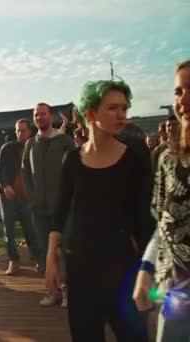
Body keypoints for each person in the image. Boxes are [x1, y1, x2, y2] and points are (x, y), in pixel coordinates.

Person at [46, 80, 151, 342]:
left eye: (124, 108)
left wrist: (147, 271)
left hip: (122, 267)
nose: (121, 114)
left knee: (133, 336)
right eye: (112, 108)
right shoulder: (72, 160)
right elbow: (60, 211)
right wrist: (51, 256)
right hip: (80, 267)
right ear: (90, 114)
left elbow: (145, 219)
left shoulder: (135, 159)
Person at [133, 60, 190, 341]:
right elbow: (163, 222)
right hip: (174, 291)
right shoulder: (168, 159)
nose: (184, 100)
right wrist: (146, 269)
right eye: (179, 91)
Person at [22, 102, 75, 306]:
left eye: (43, 114)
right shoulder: (30, 144)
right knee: (45, 250)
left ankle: (68, 290)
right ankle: (53, 291)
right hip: (39, 208)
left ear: (50, 116)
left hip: (61, 208)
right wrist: (31, 196)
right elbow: (25, 170)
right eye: (36, 115)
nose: (40, 118)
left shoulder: (64, 141)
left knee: (63, 250)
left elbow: (74, 169)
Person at [0, 118, 37, 276]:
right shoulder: (7, 148)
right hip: (9, 197)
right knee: (9, 232)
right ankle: (13, 261)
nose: (20, 133)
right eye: (18, 130)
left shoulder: (35, 147)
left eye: (23, 130)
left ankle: (38, 258)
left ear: (30, 131)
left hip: (27, 197)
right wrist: (6, 185)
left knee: (31, 230)